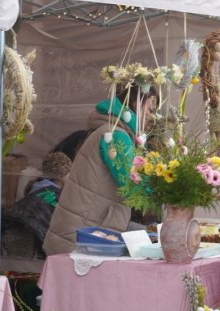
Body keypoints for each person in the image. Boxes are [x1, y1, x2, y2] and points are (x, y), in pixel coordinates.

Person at [43, 84, 157, 255]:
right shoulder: (115, 136)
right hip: (81, 237)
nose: (151, 116)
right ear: (135, 104)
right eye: (149, 110)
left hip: (83, 231)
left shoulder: (111, 131)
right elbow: (134, 187)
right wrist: (166, 186)